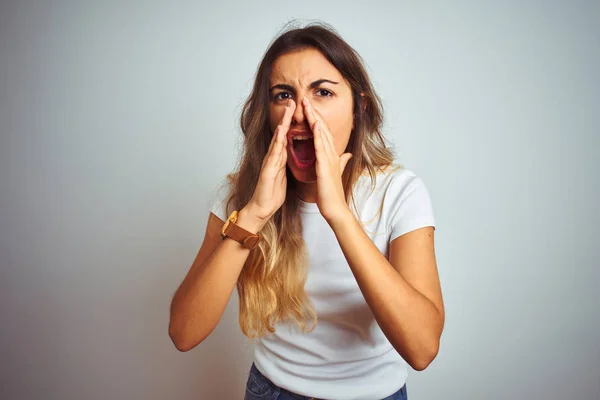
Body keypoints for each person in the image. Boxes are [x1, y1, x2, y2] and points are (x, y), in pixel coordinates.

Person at [169, 22, 445, 400]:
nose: (300, 113)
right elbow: (184, 332)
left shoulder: (399, 192)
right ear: (266, 111)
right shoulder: (240, 198)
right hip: (271, 391)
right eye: (283, 94)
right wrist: (254, 215)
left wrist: (338, 215)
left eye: (323, 92)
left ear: (359, 107)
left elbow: (422, 347)